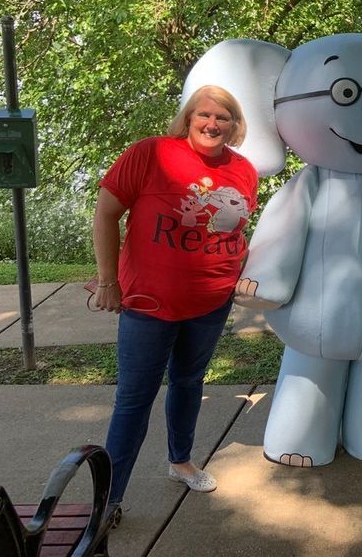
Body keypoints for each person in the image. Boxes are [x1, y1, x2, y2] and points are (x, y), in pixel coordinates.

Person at [91, 85, 258, 524]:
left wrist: (242, 275)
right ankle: (107, 501)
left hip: (211, 302)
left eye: (223, 118)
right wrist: (108, 281)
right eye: (204, 115)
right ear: (188, 118)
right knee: (133, 400)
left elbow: (235, 231)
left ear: (235, 126)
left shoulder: (243, 170)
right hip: (148, 304)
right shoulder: (150, 153)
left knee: (188, 382)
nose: (212, 124)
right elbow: (106, 212)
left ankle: (180, 460)